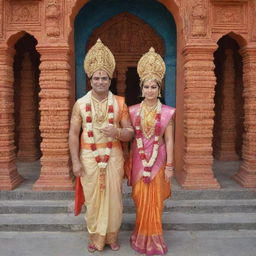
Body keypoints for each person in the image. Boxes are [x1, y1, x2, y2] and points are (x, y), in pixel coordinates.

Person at [69, 39, 134, 253]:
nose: (100, 81)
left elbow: (130, 133)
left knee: (114, 200)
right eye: (96, 78)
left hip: (113, 157)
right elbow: (73, 133)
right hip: (88, 158)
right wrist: (76, 162)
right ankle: (96, 238)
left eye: (104, 78)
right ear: (90, 79)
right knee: (94, 201)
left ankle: (112, 237)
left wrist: (116, 132)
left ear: (110, 79)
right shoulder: (80, 104)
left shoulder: (120, 103)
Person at [127, 47, 175, 255]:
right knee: (140, 198)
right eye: (146, 86)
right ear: (141, 88)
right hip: (139, 159)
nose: (149, 90)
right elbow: (131, 138)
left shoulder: (167, 112)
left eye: (153, 86)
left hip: (159, 159)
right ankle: (140, 235)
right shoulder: (132, 111)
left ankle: (155, 239)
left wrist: (170, 166)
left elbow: (169, 139)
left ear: (159, 89)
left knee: (155, 201)